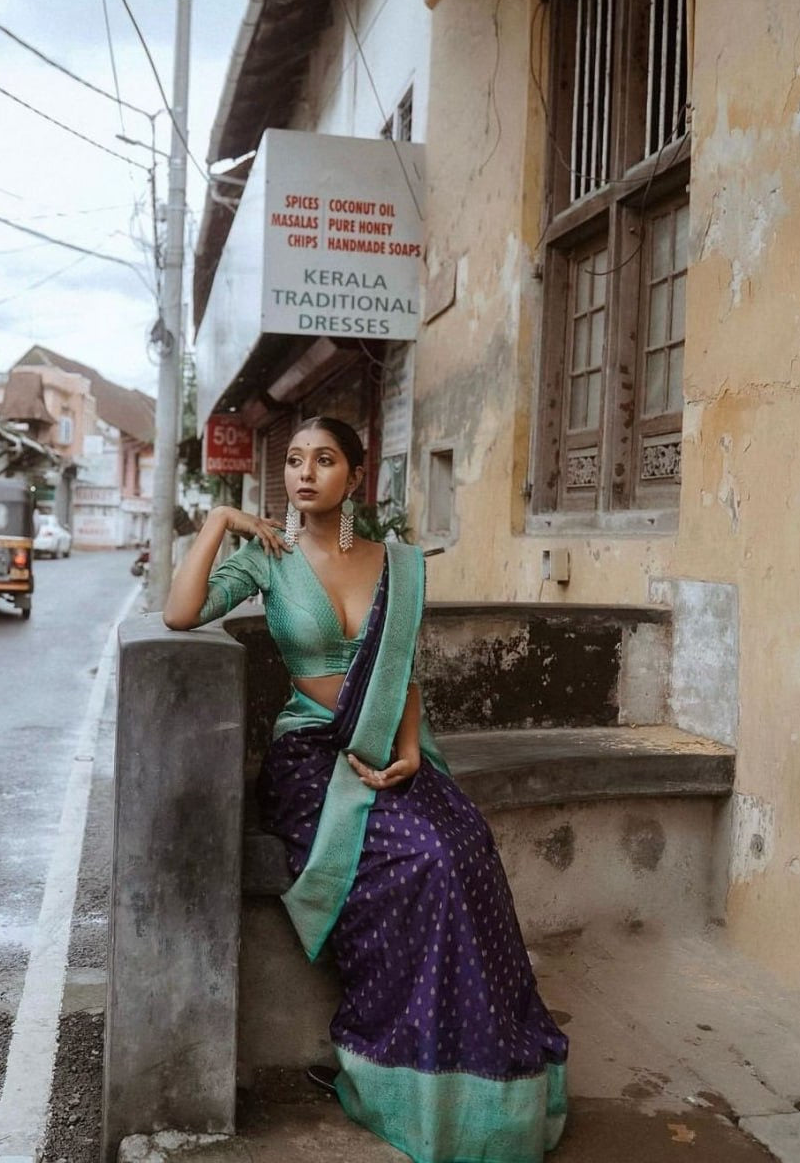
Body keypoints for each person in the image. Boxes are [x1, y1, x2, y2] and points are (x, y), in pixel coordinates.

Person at [163, 415, 568, 1163]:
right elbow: (179, 613)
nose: (304, 473)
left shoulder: (397, 565)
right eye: (294, 460)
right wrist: (220, 519)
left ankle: (481, 1076)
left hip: (388, 743)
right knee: (422, 858)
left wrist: (408, 750)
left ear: (355, 475)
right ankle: (386, 1057)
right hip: (310, 756)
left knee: (466, 848)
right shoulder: (268, 558)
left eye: (323, 460)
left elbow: (399, 670)